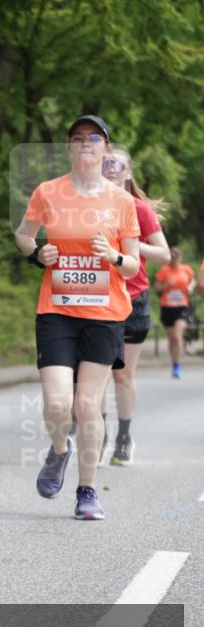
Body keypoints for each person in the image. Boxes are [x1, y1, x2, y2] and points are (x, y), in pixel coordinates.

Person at [15, 116, 140, 520]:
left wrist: (113, 256)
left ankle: (87, 490)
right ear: (69, 147)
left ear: (106, 149)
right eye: (78, 138)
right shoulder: (48, 192)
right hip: (57, 311)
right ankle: (59, 450)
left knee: (87, 405)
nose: (86, 143)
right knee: (57, 404)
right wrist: (38, 253)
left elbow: (133, 265)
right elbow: (23, 234)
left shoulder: (121, 202)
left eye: (94, 138)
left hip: (104, 315)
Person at [101, 147, 169, 464]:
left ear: (128, 172)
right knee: (97, 372)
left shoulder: (139, 209)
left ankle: (124, 438)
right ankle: (98, 434)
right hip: (97, 297)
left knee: (122, 375)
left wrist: (131, 244)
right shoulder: (85, 208)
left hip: (133, 297)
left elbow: (164, 255)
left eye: (116, 165)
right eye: (105, 164)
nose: (110, 169)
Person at [154, 247, 195, 378]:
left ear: (180, 258)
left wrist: (190, 287)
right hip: (167, 307)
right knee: (172, 338)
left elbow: (193, 281)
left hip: (182, 306)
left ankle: (177, 365)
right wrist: (166, 285)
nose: (174, 260)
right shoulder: (164, 271)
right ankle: (174, 362)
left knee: (177, 337)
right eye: (172, 257)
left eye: (176, 257)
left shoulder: (186, 269)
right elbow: (157, 288)